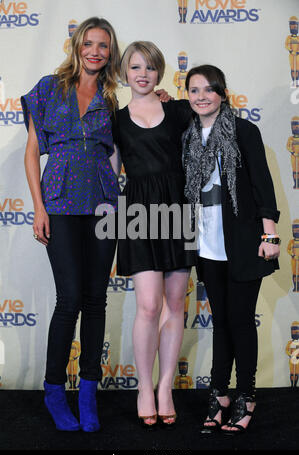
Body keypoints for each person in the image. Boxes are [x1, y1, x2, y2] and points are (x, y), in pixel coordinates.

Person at [21, 17, 122, 432]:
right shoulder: (49, 88)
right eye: (90, 43)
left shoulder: (115, 98)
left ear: (110, 52)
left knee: (96, 300)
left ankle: (88, 392)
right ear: (77, 45)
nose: (96, 51)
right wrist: (39, 207)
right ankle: (53, 390)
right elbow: (32, 153)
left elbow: (120, 151)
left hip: (103, 206)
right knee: (69, 301)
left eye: (104, 45)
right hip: (59, 202)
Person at [182, 65, 280, 434]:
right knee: (221, 324)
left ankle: (247, 395)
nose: (201, 96)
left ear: (223, 93)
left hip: (242, 242)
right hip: (207, 245)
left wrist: (269, 234)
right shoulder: (188, 135)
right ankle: (220, 394)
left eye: (209, 89)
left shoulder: (243, 130)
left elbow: (261, 183)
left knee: (241, 322)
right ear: (187, 95)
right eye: (193, 90)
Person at [112, 41, 196, 428]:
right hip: (139, 213)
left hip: (179, 209)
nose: (142, 73)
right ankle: (144, 386)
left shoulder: (178, 109)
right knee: (148, 305)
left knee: (175, 304)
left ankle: (165, 387)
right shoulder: (115, 119)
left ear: (159, 72)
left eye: (149, 67)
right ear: (124, 72)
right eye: (135, 67)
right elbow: (111, 174)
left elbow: (214, 128)